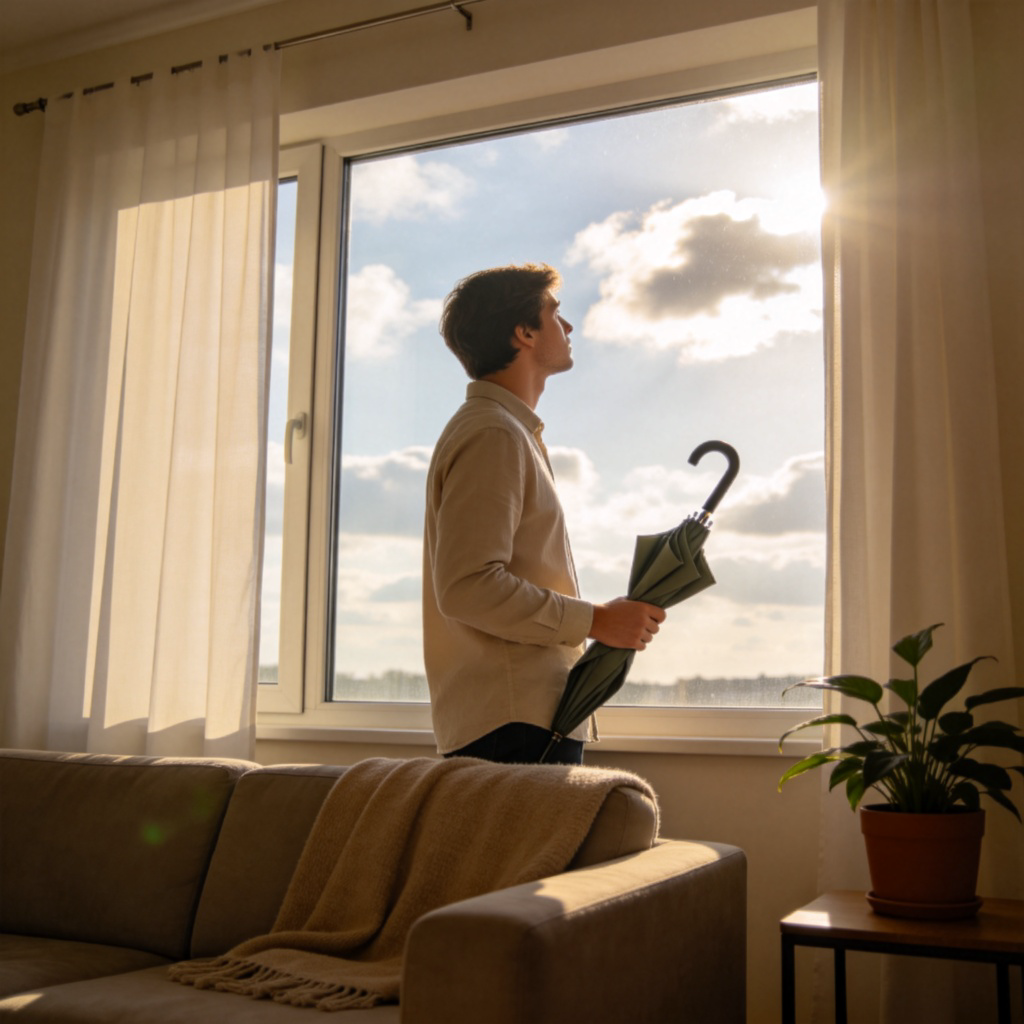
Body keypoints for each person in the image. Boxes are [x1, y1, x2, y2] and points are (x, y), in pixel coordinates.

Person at [422, 263, 666, 765]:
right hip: (514, 726)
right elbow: (468, 587)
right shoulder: (494, 433)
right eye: (555, 312)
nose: (568, 325)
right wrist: (598, 620)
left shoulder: (506, 431)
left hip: (521, 721)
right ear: (525, 332)